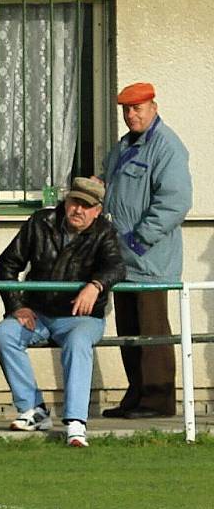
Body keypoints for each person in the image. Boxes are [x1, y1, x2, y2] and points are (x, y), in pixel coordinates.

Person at [0, 177, 125, 447]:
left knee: (78, 342)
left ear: (97, 210)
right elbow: (8, 262)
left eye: (86, 205)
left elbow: (116, 267)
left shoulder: (105, 231)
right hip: (38, 312)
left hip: (82, 318)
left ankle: (76, 423)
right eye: (74, 201)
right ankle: (33, 410)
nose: (78, 210)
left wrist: (95, 285)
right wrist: (17, 306)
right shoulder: (40, 222)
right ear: (66, 201)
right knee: (4, 333)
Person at [96, 82, 192, 419]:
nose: (131, 114)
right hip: (121, 258)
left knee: (152, 333)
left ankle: (158, 400)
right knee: (129, 331)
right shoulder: (124, 146)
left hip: (150, 260)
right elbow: (106, 184)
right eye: (126, 109)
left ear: (153, 106)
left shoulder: (166, 147)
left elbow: (175, 202)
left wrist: (139, 240)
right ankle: (136, 395)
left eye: (137, 108)